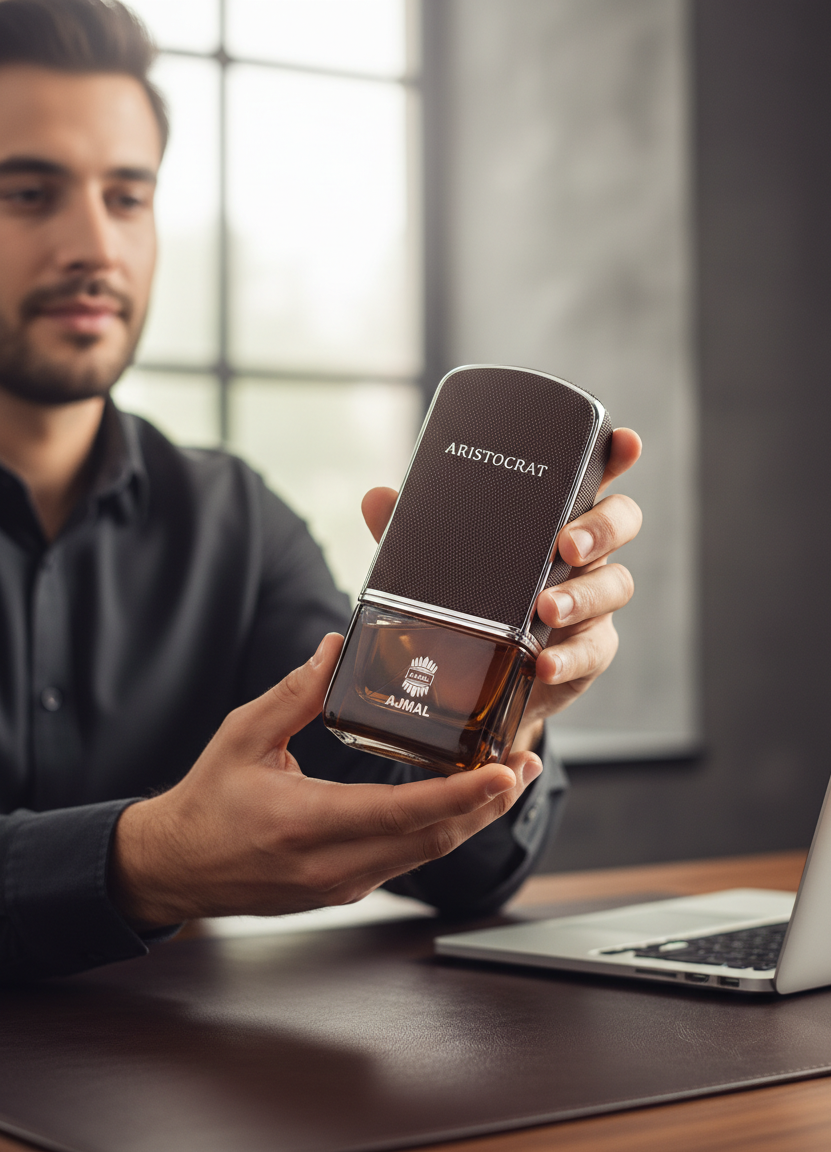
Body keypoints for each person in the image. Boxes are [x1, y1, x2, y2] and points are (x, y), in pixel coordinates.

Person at [0, 0, 642, 982]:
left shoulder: (235, 524)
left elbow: (419, 843)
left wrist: (498, 724)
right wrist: (143, 860)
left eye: (127, 196)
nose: (96, 244)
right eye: (29, 194)